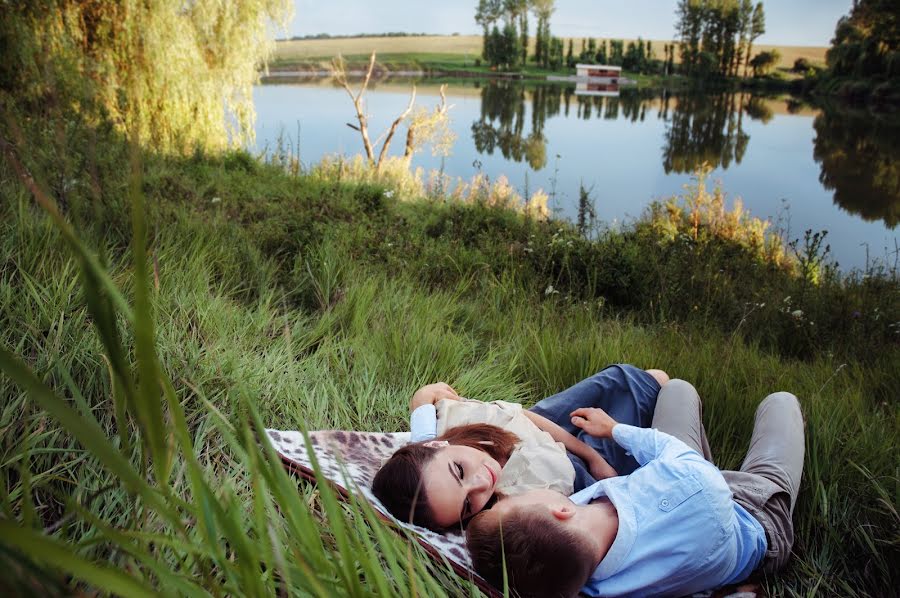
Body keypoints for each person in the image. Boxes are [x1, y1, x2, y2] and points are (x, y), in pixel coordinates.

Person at [465, 380, 805, 598]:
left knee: (678, 391)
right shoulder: (696, 486)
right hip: (755, 515)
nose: (507, 495)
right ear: (561, 510)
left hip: (684, 490)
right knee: (781, 401)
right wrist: (614, 430)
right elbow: (684, 464)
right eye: (508, 503)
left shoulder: (577, 572)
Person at [371, 365, 669, 530]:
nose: (481, 483)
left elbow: (426, 399)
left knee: (633, 377)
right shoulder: (514, 509)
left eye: (459, 470)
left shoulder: (446, 429)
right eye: (467, 506)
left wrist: (591, 455)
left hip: (538, 425)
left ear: (437, 444)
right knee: (659, 382)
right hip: (567, 468)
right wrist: (594, 462)